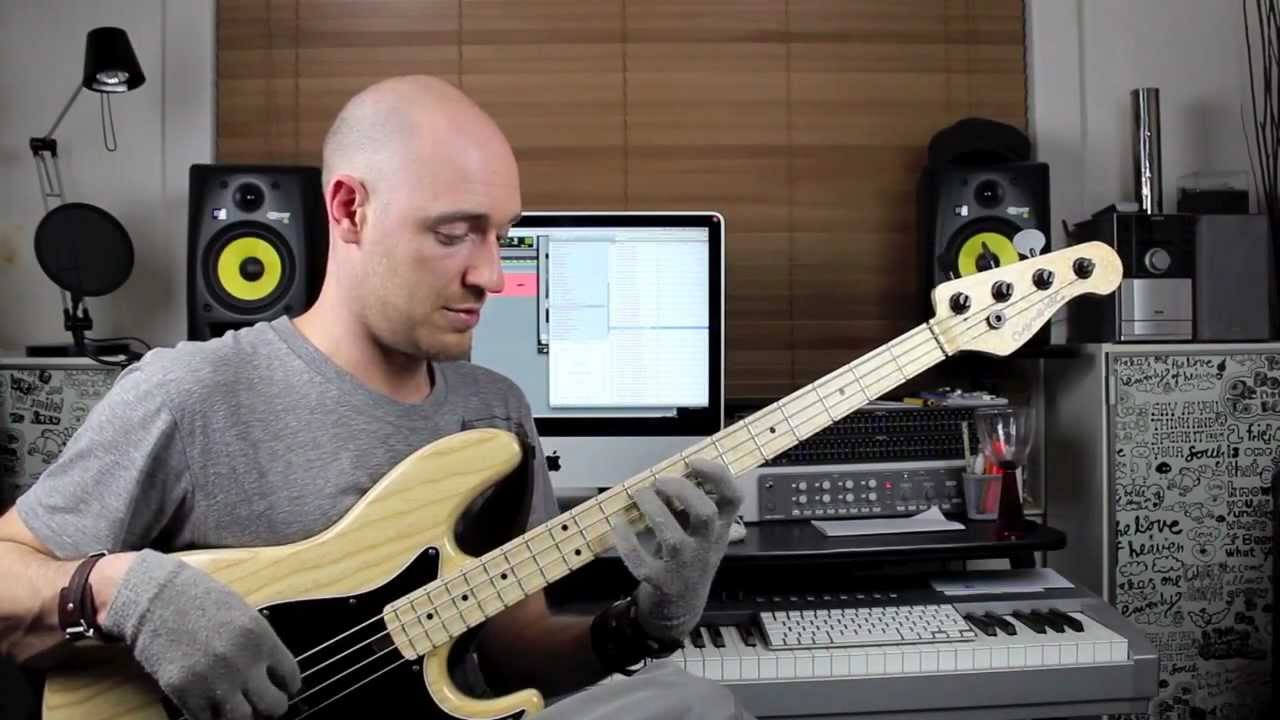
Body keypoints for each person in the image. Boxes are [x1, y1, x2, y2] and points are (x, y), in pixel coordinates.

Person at [0, 75, 750, 720]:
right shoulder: (190, 394)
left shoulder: (495, 412)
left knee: (694, 705)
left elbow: (510, 652)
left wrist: (641, 626)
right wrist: (127, 593)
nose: (491, 275)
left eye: (500, 235)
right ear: (349, 209)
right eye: (454, 233)